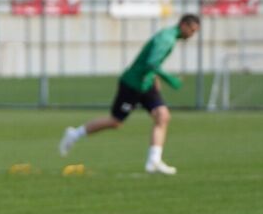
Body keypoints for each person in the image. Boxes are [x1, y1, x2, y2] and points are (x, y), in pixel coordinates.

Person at [59, 14, 201, 175]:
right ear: (183, 25)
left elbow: (151, 63)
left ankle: (154, 161)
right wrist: (171, 80)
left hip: (146, 83)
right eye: (192, 30)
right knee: (115, 122)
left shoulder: (170, 37)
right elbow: (151, 63)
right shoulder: (166, 39)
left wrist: (154, 79)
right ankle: (74, 134)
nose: (192, 34)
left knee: (162, 116)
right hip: (132, 83)